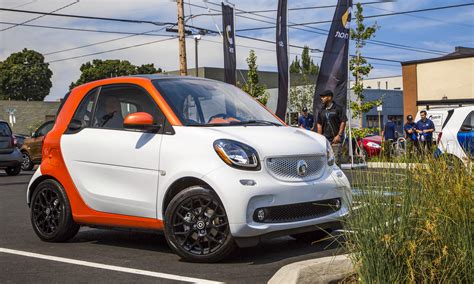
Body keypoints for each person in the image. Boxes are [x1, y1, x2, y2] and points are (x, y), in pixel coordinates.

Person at [316, 90, 347, 164]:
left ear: (329, 97)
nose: (322, 98)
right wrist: (320, 137)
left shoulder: (338, 108)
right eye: (321, 97)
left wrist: (339, 135)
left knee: (335, 162)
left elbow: (343, 121)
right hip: (325, 140)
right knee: (325, 163)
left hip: (335, 140)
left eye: (324, 97)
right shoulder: (321, 110)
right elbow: (319, 124)